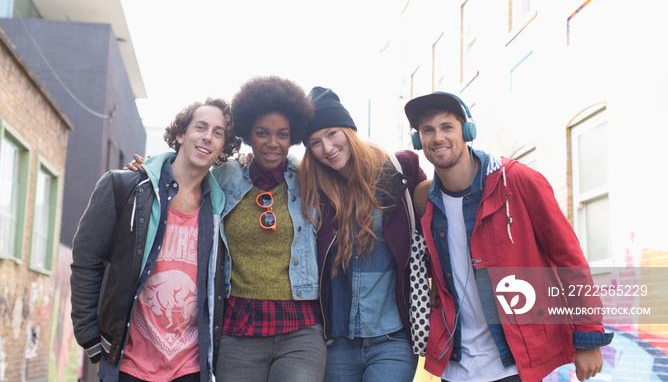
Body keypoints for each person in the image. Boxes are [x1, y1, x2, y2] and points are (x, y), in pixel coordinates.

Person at [404, 91, 614, 382]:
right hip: (455, 366)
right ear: (418, 141)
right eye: (428, 130)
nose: (437, 137)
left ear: (467, 131)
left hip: (512, 362)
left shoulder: (516, 180)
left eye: (446, 127)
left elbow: (569, 258)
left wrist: (589, 334)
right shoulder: (424, 199)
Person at [70, 98, 239, 382]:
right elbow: (86, 263)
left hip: (190, 368)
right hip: (128, 365)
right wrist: (93, 346)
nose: (208, 137)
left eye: (218, 132)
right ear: (180, 134)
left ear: (223, 147)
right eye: (200, 127)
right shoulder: (123, 187)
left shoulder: (221, 206)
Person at [298, 87, 427, 382]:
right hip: (337, 344)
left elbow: (434, 223)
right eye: (315, 143)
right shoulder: (313, 192)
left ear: (349, 131)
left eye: (332, 134)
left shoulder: (399, 171)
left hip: (392, 339)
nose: (327, 148)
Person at [211, 76, 326, 382]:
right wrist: (154, 167)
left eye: (282, 134)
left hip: (301, 328)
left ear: (293, 137)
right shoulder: (224, 177)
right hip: (240, 327)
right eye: (262, 133)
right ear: (249, 134)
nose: (273, 143)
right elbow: (185, 174)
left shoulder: (308, 179)